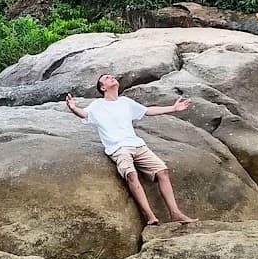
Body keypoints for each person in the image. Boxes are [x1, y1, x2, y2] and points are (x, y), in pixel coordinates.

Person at [65, 74, 196, 226]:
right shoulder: (98, 105)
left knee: (163, 171)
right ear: (103, 87)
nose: (112, 77)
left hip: (137, 145)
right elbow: (85, 114)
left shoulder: (126, 102)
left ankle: (175, 213)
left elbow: (147, 111)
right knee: (132, 175)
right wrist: (73, 108)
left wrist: (173, 108)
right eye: (107, 78)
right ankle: (150, 216)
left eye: (112, 76)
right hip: (118, 148)